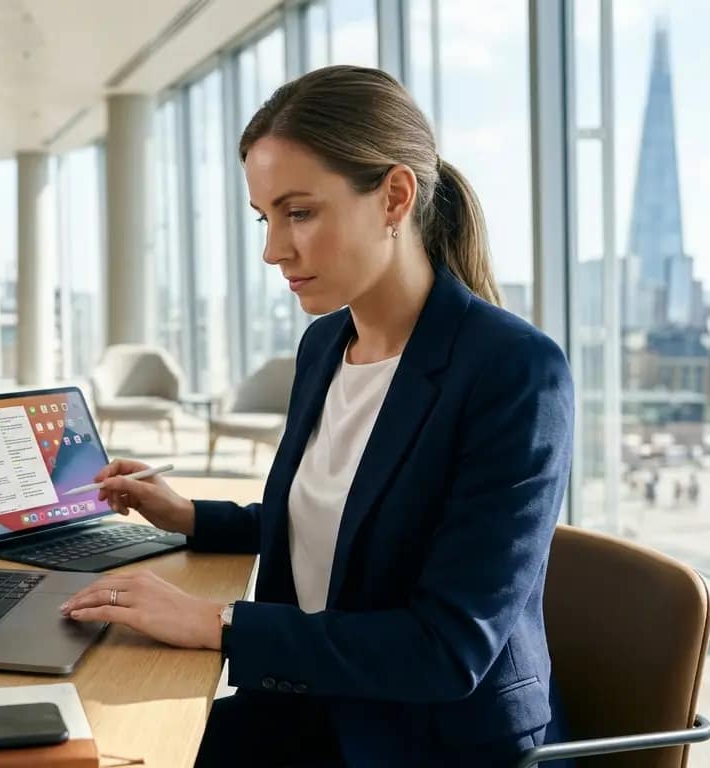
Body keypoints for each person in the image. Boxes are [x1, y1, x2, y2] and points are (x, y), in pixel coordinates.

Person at [58, 66, 575, 767]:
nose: (274, 250)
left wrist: (220, 622)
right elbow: (342, 528)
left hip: (426, 738)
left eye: (299, 213)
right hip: (311, 700)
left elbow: (446, 651)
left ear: (394, 196)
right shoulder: (327, 343)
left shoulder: (513, 371)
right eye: (265, 218)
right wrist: (191, 517)